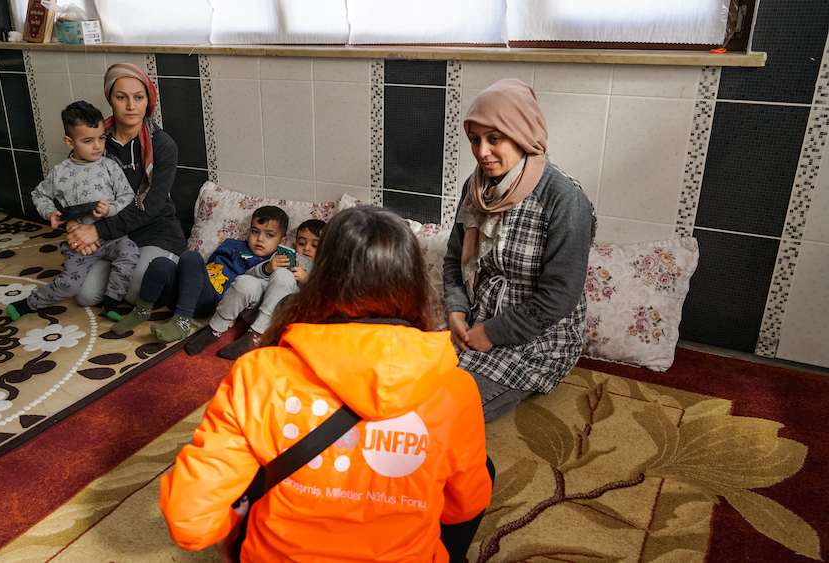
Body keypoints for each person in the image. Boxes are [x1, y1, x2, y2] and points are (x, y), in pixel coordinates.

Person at [159, 206, 492, 563]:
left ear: (323, 278)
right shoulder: (456, 389)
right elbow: (462, 509)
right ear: (414, 283)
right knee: (480, 468)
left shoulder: (259, 374)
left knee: (256, 455)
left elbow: (190, 520)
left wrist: (233, 529)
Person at [444, 78, 596, 422]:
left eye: (494, 138)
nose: (482, 151)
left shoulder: (564, 199)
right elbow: (455, 260)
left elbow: (559, 296)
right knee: (404, 390)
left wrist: (492, 334)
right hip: (473, 326)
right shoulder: (476, 188)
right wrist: (455, 311)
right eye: (474, 139)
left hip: (535, 341)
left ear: (523, 134)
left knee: (445, 415)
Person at [64, 63, 187, 308]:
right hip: (114, 236)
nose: (131, 106)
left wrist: (96, 232)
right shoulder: (95, 142)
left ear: (148, 102)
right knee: (84, 295)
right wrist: (75, 224)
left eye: (138, 97)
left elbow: (149, 207)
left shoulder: (163, 145)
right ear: (111, 99)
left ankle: (168, 264)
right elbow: (75, 191)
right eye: (122, 97)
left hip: (155, 231)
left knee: (135, 293)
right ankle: (122, 267)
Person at [7, 101, 138, 322]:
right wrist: (50, 212)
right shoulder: (60, 173)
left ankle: (111, 301)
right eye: (88, 141)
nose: (97, 146)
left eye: (101, 138)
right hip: (79, 242)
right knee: (71, 284)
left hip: (111, 236)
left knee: (131, 252)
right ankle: (28, 304)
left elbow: (127, 195)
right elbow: (39, 195)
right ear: (70, 142)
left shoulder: (110, 166)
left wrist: (111, 208)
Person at [111, 206, 289, 343]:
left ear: (282, 241)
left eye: (269, 235)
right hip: (188, 291)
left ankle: (181, 323)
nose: (260, 239)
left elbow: (256, 295)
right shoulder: (230, 244)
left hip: (210, 300)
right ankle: (141, 311)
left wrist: (232, 314)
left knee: (190, 255)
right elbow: (207, 267)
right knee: (161, 264)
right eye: (255, 231)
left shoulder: (269, 265)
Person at [184, 218, 325, 360]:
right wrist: (267, 268)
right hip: (256, 307)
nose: (307, 248)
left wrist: (306, 279)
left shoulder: (322, 268)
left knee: (283, 275)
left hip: (282, 316)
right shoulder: (281, 256)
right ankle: (214, 329)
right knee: (244, 282)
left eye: (315, 245)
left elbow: (324, 299)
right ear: (294, 245)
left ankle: (256, 336)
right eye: (302, 243)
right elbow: (248, 275)